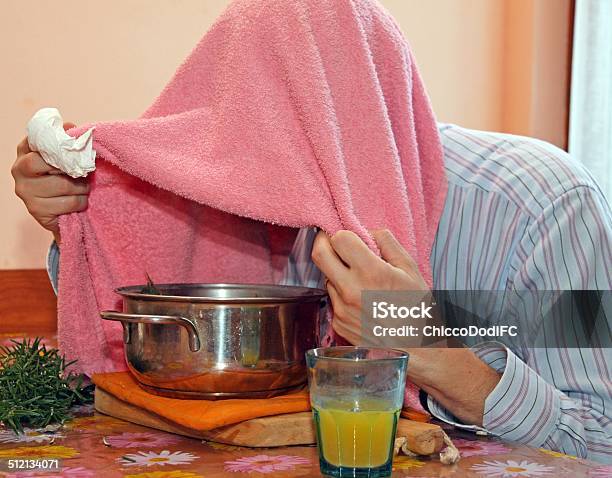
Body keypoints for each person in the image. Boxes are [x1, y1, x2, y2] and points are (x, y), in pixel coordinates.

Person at [13, 120, 611, 461]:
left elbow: (601, 438)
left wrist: (430, 346)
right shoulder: (251, 201)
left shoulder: (542, 207)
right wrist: (86, 216)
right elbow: (171, 306)